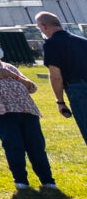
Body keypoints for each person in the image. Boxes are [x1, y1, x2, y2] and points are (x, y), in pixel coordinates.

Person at [0, 35, 63, 198]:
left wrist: (16, 77)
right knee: (14, 145)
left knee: (36, 146)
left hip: (26, 110)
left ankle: (48, 180)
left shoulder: (8, 66)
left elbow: (32, 87)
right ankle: (21, 181)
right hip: (1, 112)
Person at [35, 12, 87, 146]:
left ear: (44, 26)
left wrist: (60, 102)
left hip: (78, 90)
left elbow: (56, 76)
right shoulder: (82, 41)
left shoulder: (52, 44)